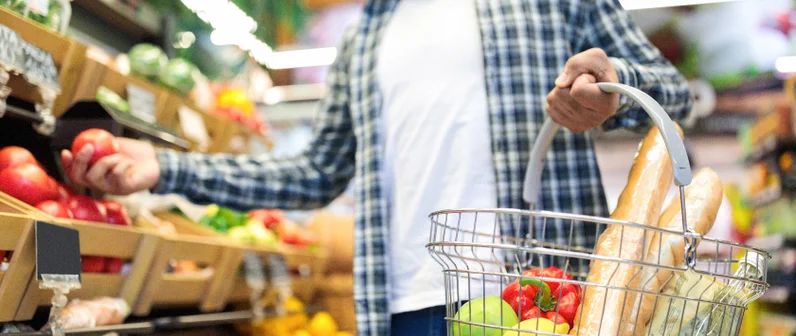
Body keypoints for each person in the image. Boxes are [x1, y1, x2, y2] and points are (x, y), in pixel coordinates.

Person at [62, 0, 692, 334]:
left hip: (543, 301)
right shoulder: (365, 35)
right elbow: (314, 173)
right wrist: (168, 170)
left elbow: (674, 92)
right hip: (403, 308)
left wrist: (611, 91)